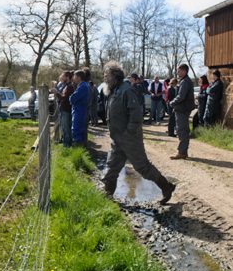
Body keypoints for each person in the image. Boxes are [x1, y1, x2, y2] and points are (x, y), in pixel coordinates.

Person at [100, 61, 176, 205]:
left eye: (106, 74)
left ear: (115, 76)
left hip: (129, 139)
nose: (104, 77)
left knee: (143, 167)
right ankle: (107, 198)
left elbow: (136, 114)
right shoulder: (113, 90)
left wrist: (129, 133)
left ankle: (167, 187)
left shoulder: (126, 90)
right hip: (117, 138)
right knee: (112, 166)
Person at [169, 64, 195, 160]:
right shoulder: (184, 81)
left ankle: (182, 152)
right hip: (183, 108)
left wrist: (172, 103)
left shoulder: (185, 82)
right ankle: (183, 151)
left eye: (179, 71)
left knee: (182, 130)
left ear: (184, 71)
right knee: (182, 130)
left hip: (182, 109)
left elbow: (181, 96)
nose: (177, 72)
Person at [53, 71, 74, 147]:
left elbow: (64, 98)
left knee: (66, 128)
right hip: (64, 109)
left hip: (66, 110)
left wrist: (56, 92)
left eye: (63, 76)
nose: (61, 77)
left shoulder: (69, 86)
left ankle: (67, 145)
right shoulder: (66, 85)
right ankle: (66, 143)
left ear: (67, 77)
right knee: (64, 127)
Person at [70, 70, 89, 147]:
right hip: (79, 109)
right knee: (79, 129)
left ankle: (78, 151)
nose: (73, 78)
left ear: (79, 77)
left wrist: (70, 98)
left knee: (77, 129)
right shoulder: (82, 85)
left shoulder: (82, 86)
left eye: (74, 76)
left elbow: (72, 99)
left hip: (79, 110)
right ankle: (80, 148)